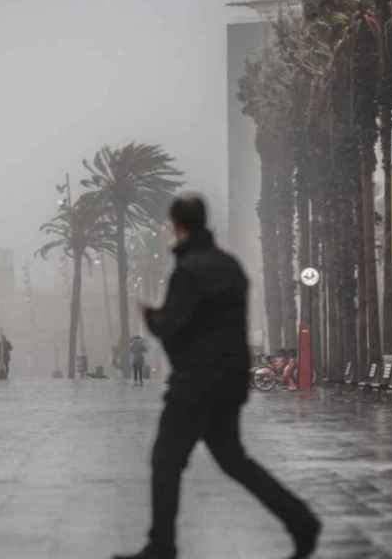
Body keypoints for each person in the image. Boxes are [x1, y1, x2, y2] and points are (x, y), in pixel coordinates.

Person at [115, 195, 320, 559]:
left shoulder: (189, 270)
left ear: (178, 226)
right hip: (230, 379)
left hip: (196, 382)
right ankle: (300, 519)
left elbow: (174, 326)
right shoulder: (230, 266)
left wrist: (152, 317)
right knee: (232, 458)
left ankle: (161, 545)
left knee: (166, 460)